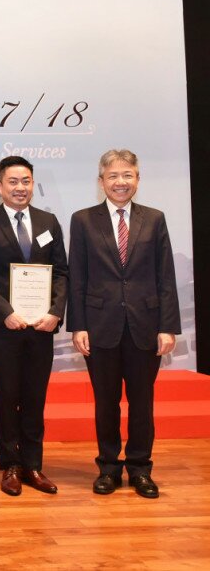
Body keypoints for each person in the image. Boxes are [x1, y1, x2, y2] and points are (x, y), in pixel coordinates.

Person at [68, 149, 180, 499]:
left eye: (127, 175)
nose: (120, 182)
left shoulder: (155, 219)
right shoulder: (83, 220)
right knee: (106, 402)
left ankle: (141, 468)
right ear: (101, 181)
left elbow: (166, 276)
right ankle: (108, 468)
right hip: (99, 326)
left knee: (142, 402)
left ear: (137, 179)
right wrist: (78, 325)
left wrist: (168, 326)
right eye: (113, 176)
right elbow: (78, 276)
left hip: (145, 325)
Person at [0, 156, 68, 496]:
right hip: (5, 329)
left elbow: (61, 272)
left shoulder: (48, 221)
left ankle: (33, 465)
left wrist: (56, 312)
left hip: (41, 327)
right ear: (0, 186)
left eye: (25, 181)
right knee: (7, 396)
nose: (20, 187)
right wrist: (5, 312)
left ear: (32, 183)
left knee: (35, 397)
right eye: (12, 182)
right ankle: (10, 466)